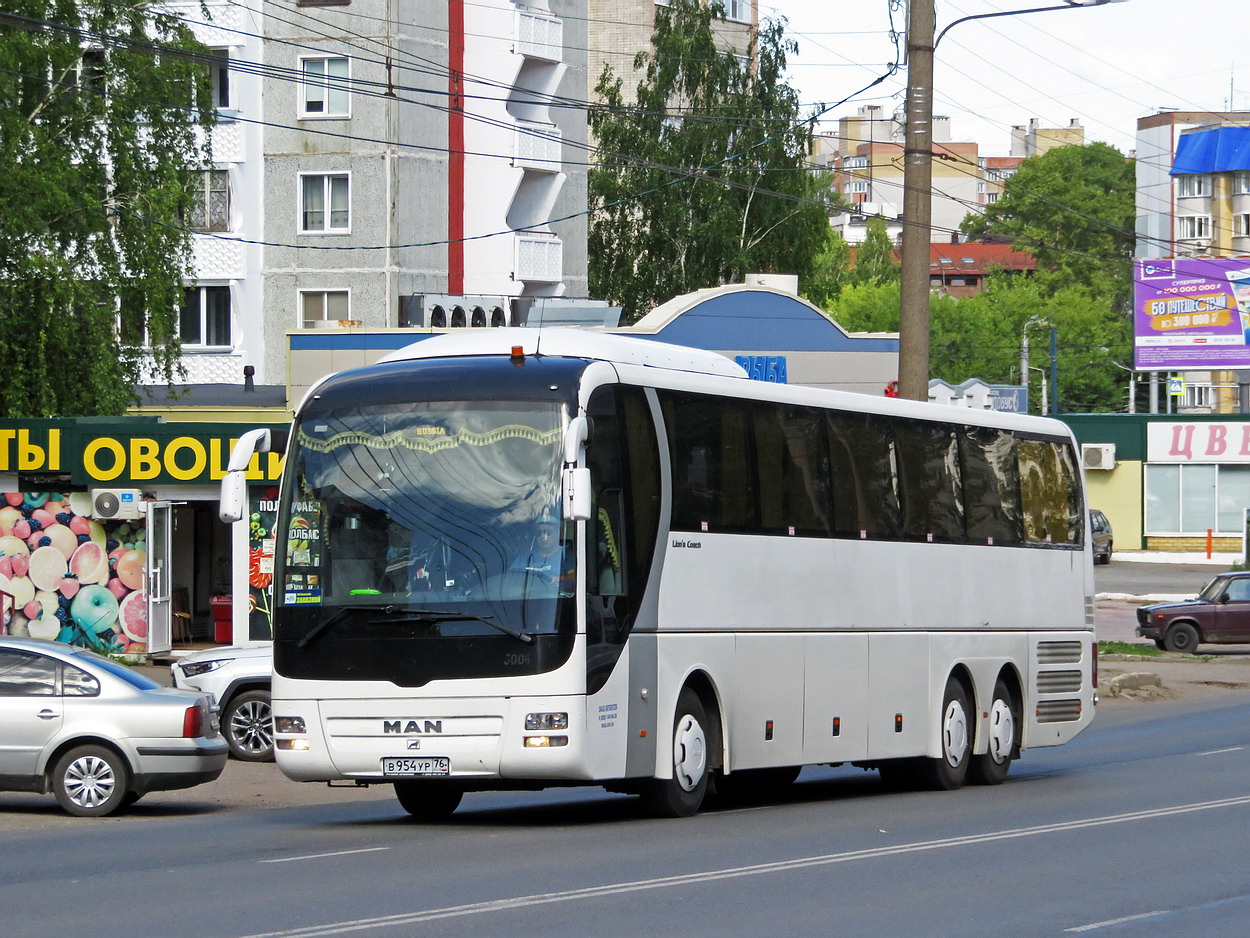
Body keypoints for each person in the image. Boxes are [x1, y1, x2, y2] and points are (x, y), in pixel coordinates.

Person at [510, 512, 573, 593]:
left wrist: (558, 579)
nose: (543, 536)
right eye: (539, 533)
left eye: (548, 532)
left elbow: (574, 576)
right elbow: (510, 579)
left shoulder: (566, 555)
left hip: (555, 600)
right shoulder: (524, 558)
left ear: (559, 533)